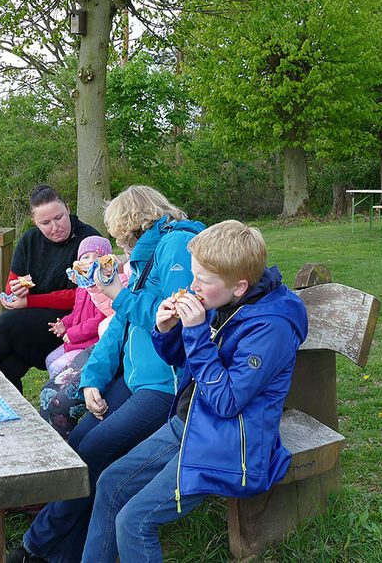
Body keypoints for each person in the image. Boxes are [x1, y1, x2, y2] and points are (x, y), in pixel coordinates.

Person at [80, 220, 309, 563]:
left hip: (228, 443)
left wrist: (197, 332)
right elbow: (184, 359)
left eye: (203, 280)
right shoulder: (225, 297)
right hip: (191, 421)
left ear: (239, 286)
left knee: (134, 521)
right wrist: (166, 329)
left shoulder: (271, 327)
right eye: (194, 274)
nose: (193, 285)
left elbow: (227, 402)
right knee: (111, 483)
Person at [8, 185, 205, 563]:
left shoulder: (177, 246)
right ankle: (55, 552)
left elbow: (173, 321)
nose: (116, 240)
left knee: (93, 454)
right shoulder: (146, 254)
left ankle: (36, 547)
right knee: (80, 446)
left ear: (132, 223)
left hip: (167, 386)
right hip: (133, 380)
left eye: (118, 232)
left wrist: (117, 292)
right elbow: (120, 325)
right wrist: (93, 377)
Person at [0, 184, 100, 393]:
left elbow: (80, 296)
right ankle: (8, 412)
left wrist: (29, 302)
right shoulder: (29, 240)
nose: (55, 226)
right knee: (7, 365)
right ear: (35, 222)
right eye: (45, 223)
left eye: (59, 217)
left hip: (73, 322)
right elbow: (13, 283)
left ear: (68, 209)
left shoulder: (88, 240)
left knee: (8, 325)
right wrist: (15, 293)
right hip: (32, 320)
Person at [39, 235, 125, 439]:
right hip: (75, 340)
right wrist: (65, 324)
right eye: (85, 257)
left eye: (97, 257)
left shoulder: (106, 286)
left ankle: (68, 399)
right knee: (50, 359)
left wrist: (72, 334)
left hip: (89, 342)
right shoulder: (81, 289)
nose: (90, 262)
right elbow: (76, 313)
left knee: (60, 365)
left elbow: (99, 320)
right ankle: (60, 392)